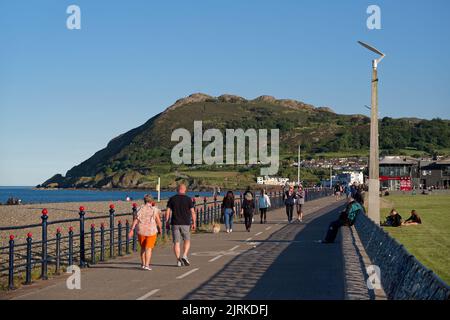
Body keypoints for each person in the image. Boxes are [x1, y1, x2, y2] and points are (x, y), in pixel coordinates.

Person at [166, 184, 197, 267]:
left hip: (175, 223)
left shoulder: (172, 199)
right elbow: (192, 212)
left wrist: (167, 221)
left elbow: (168, 211)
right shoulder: (188, 199)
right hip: (185, 223)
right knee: (187, 240)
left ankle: (178, 260)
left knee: (176, 242)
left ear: (177, 189)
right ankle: (185, 255)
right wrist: (194, 222)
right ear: (184, 190)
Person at [128, 195, 162, 271]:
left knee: (143, 248)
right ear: (152, 201)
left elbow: (136, 220)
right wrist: (160, 229)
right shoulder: (154, 210)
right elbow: (158, 221)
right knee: (148, 248)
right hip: (151, 231)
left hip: (141, 231)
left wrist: (131, 230)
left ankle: (143, 264)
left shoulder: (140, 209)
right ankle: (147, 265)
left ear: (144, 201)